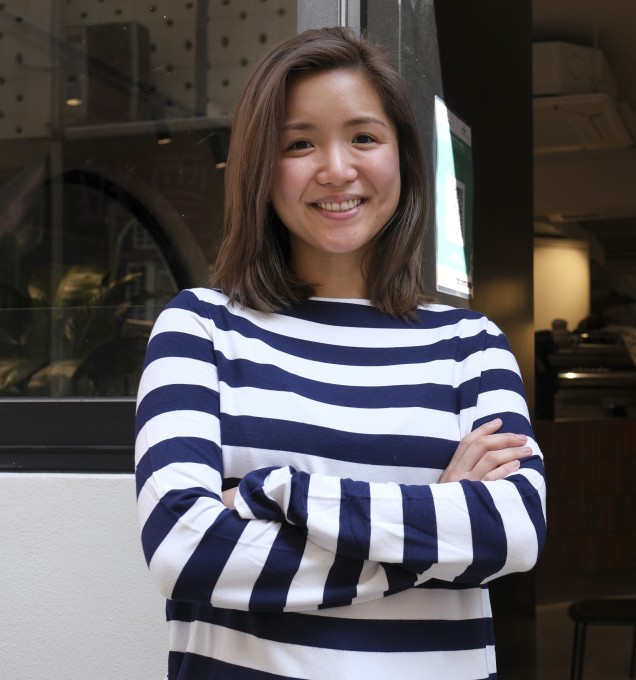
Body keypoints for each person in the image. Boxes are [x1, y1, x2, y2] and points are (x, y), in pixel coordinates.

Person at [133, 27, 546, 680]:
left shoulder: (470, 344)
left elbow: (513, 531)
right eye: (299, 143)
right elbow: (185, 553)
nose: (336, 169)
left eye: (363, 137)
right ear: (260, 167)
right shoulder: (202, 328)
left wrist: (277, 493)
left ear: (402, 154)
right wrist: (435, 528)